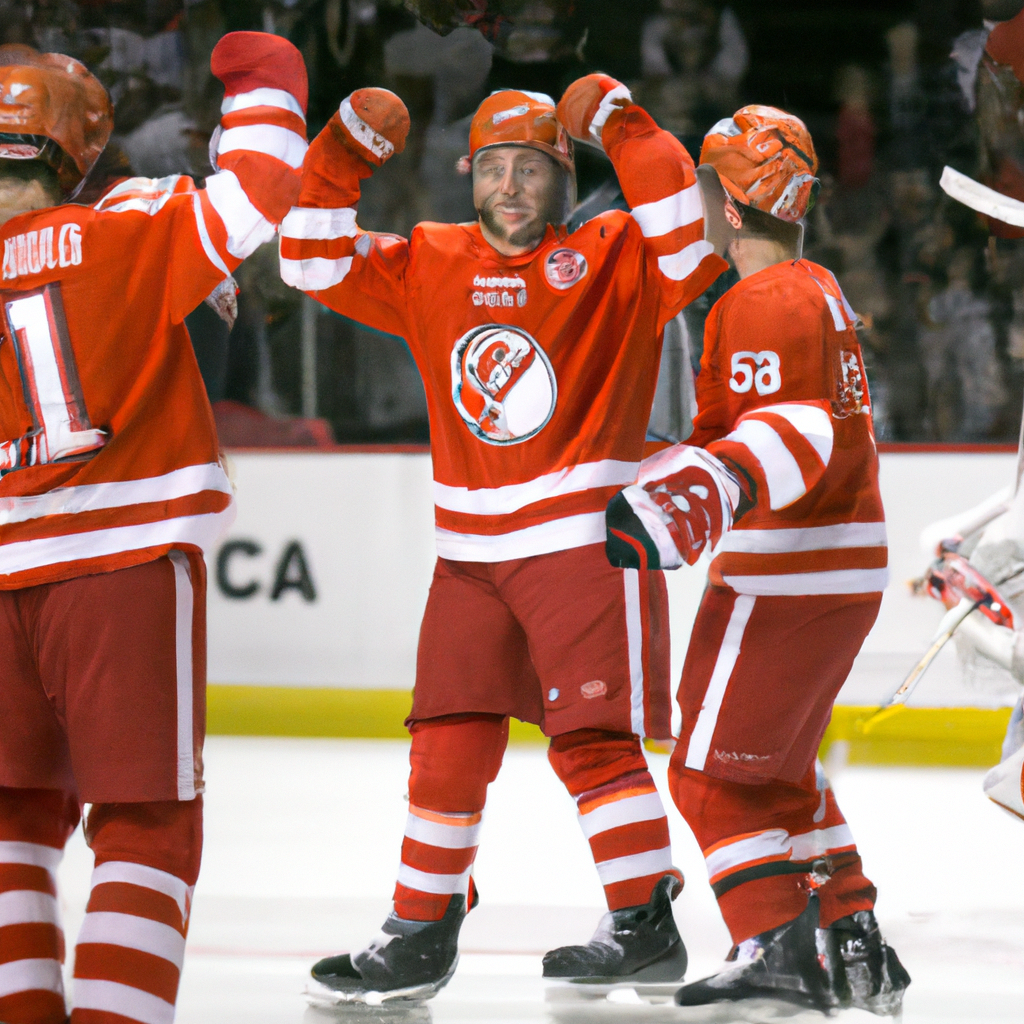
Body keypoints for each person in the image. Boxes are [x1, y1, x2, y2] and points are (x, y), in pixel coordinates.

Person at [280, 77, 726, 1001]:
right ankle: (419, 927)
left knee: (593, 743)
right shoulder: (430, 259)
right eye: (494, 168)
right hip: (468, 558)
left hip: (585, 545)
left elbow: (693, 231)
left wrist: (622, 122)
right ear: (467, 175)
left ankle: (645, 921)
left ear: (565, 180)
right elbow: (308, 262)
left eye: (531, 168)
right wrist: (341, 155)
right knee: (446, 738)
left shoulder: (617, 257)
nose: (512, 186)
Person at [0, 34, 307, 1024]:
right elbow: (260, 187)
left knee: (10, 823)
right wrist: (266, 79)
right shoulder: (130, 226)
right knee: (147, 827)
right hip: (118, 564)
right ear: (77, 148)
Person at [605, 106, 911, 1016]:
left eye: (706, 186)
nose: (697, 203)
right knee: (779, 769)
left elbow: (786, 439)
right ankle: (854, 938)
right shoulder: (818, 286)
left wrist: (699, 490)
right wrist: (687, 458)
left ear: (732, 207)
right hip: (842, 564)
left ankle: (774, 939)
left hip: (788, 571)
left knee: (706, 775)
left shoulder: (759, 302)